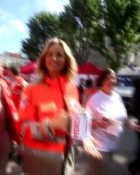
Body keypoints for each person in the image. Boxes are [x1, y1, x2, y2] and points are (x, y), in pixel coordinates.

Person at [18, 37, 101, 175]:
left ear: (67, 60)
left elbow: (75, 116)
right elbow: (21, 128)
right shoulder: (31, 90)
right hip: (40, 159)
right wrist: (50, 125)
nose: (54, 58)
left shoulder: (72, 89)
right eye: (50, 54)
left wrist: (84, 134)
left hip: (67, 157)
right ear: (44, 58)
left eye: (59, 55)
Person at [86, 69, 140, 175]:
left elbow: (122, 119)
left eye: (113, 77)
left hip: (113, 146)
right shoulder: (94, 99)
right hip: (99, 147)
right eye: (107, 78)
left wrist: (135, 126)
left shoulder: (117, 97)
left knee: (93, 172)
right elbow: (84, 123)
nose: (111, 80)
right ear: (102, 81)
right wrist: (97, 124)